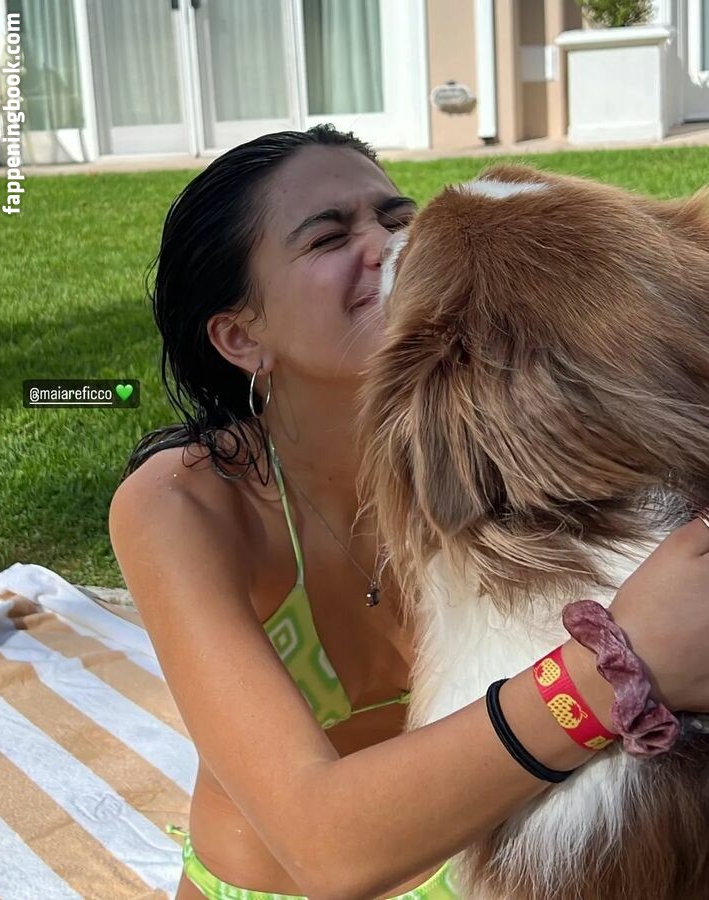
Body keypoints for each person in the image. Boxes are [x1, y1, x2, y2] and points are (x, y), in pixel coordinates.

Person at [109, 124, 709, 900]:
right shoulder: (181, 504)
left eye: (397, 218)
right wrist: (615, 669)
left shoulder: (505, 448)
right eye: (329, 237)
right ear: (240, 336)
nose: (389, 243)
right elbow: (324, 849)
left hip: (484, 872)